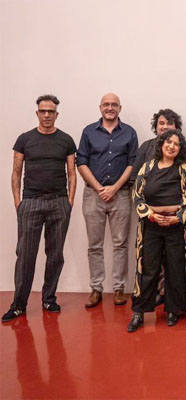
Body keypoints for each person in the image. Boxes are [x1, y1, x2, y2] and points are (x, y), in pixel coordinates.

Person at [2, 95, 77, 322]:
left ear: (56, 114)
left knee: (55, 255)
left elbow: (72, 174)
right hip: (31, 202)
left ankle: (49, 298)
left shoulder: (66, 140)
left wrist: (69, 202)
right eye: (43, 111)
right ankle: (18, 304)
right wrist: (19, 202)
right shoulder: (24, 139)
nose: (46, 115)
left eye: (50, 111)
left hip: (58, 202)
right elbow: (16, 173)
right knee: (25, 255)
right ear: (37, 113)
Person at [127, 129, 186, 332]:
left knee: (176, 268)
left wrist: (177, 217)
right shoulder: (147, 167)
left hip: (176, 227)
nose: (172, 146)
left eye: (176, 144)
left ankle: (173, 310)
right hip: (151, 225)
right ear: (161, 144)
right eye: (168, 142)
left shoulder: (185, 169)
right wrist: (150, 214)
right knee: (147, 268)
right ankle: (139, 312)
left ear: (180, 149)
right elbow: (137, 195)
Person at [77, 93, 139, 308]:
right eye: (106, 104)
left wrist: (114, 188)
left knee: (120, 244)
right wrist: (99, 188)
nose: (110, 108)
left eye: (114, 105)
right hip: (93, 195)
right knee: (94, 245)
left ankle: (119, 288)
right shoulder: (88, 132)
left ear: (120, 108)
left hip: (121, 194)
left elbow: (132, 163)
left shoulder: (129, 132)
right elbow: (81, 162)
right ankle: (96, 288)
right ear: (100, 107)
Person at [130, 109, 186, 186]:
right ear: (156, 126)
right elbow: (134, 178)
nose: (165, 127)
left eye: (169, 123)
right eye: (161, 123)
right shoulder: (146, 146)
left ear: (176, 127)